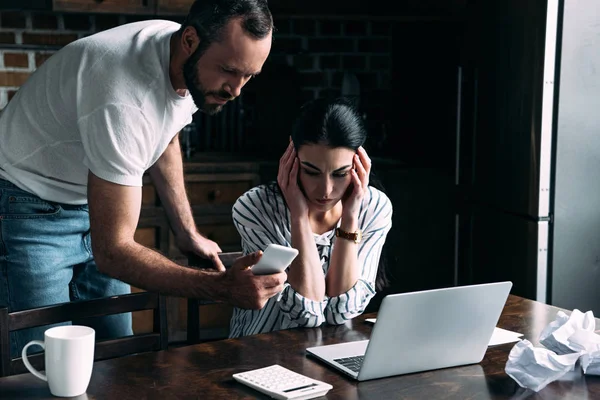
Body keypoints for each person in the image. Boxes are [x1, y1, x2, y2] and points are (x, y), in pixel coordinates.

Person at [0, 0, 286, 357]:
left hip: (89, 199)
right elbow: (114, 252)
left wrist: (186, 231)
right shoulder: (122, 98)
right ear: (190, 41)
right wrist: (222, 287)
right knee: (43, 365)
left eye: (248, 76)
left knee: (119, 355)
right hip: (26, 202)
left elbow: (165, 133)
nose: (236, 90)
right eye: (229, 71)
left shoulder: (187, 60)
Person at [229, 97, 393, 337]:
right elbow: (307, 313)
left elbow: (343, 312)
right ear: (291, 158)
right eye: (311, 172)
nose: (325, 190)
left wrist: (350, 215)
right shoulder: (255, 208)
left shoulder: (373, 207)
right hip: (262, 352)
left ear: (359, 167)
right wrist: (299, 216)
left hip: (333, 353)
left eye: (340, 174)